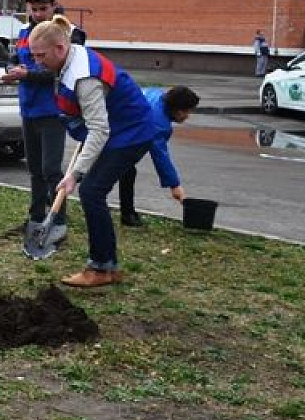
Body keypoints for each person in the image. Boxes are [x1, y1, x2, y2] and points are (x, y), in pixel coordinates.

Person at [28, 15, 158, 288]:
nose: (37, 62)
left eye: (41, 56)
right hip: (118, 129)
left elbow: (100, 130)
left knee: (91, 191)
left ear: (60, 49)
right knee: (93, 191)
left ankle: (100, 267)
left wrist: (75, 174)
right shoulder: (69, 57)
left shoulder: (84, 77)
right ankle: (107, 266)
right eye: (33, 55)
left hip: (131, 132)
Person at [0, 0, 86, 236]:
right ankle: (35, 218)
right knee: (34, 169)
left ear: (53, 7)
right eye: (34, 9)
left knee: (51, 169)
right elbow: (14, 58)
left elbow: (58, 70)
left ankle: (57, 221)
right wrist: (10, 69)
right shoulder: (25, 32)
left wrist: (26, 74)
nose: (38, 14)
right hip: (29, 109)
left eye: (43, 8)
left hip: (53, 110)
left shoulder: (64, 34)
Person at [117, 86, 201, 227]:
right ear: (178, 110)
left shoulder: (156, 95)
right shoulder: (158, 122)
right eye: (187, 112)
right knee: (123, 171)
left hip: (118, 125)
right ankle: (127, 215)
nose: (188, 116)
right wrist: (175, 185)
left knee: (126, 170)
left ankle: (127, 214)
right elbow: (160, 155)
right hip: (113, 131)